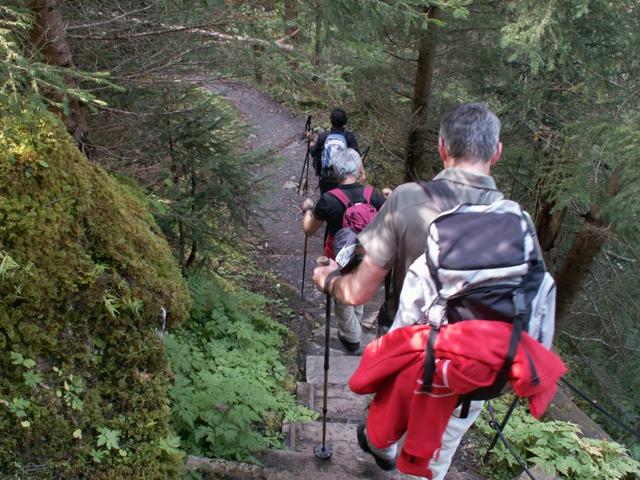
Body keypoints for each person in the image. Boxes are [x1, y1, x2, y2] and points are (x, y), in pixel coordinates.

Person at [312, 103, 529, 479]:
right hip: (478, 367)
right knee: (437, 454)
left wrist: (330, 279)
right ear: (497, 151)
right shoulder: (516, 220)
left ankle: (382, 446)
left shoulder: (407, 199)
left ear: (442, 147)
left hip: (408, 347)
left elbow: (358, 293)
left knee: (388, 420)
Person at [302, 147, 385, 352]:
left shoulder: (328, 200)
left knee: (341, 293)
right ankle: (355, 325)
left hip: (338, 256)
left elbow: (309, 230)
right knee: (360, 282)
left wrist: (307, 209)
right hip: (367, 253)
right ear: (358, 168)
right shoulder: (373, 194)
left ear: (335, 171)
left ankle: (352, 338)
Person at [308, 107, 360, 194]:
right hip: (343, 177)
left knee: (325, 197)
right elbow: (356, 155)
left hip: (325, 177)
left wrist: (311, 141)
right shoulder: (349, 137)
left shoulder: (324, 136)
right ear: (345, 121)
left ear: (331, 120)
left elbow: (313, 153)